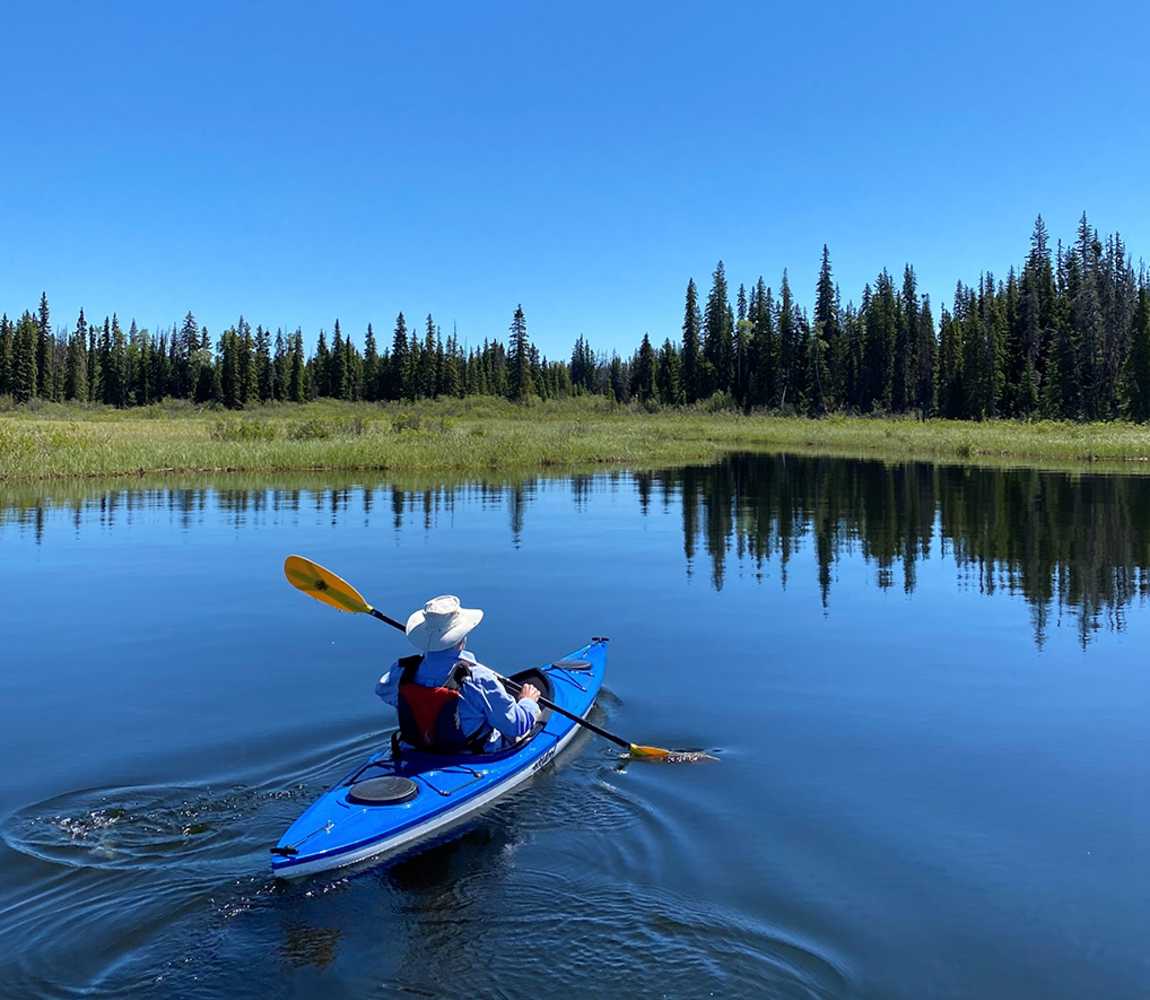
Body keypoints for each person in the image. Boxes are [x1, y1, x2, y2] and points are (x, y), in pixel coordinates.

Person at [375, 595, 541, 752]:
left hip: (415, 749)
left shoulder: (403, 670)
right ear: (463, 638)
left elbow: (383, 691)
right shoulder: (478, 678)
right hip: (469, 754)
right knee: (518, 732)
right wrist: (528, 702)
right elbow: (515, 725)